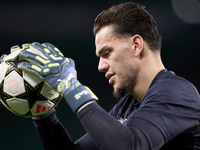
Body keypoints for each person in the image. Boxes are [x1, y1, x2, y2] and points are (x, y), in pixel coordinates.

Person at [13, 2, 200, 150]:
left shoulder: (178, 92)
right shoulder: (128, 106)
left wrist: (71, 86)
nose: (101, 66)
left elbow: (131, 147)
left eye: (107, 53)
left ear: (136, 45)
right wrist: (43, 113)